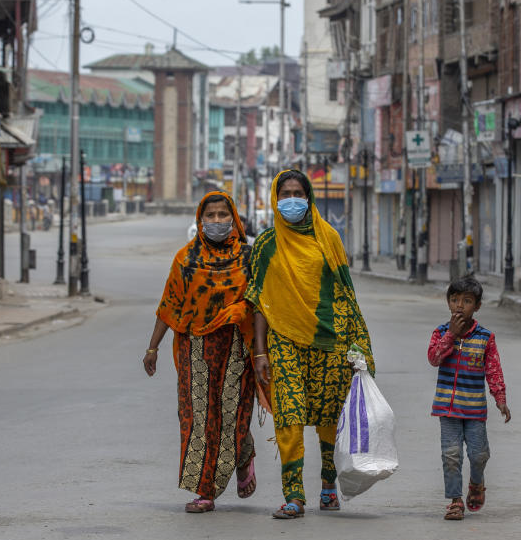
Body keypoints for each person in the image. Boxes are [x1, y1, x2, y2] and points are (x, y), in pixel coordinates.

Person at [245, 169, 375, 520]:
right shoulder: (266, 245)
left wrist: (356, 345)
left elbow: (345, 294)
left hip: (330, 341)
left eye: (298, 193)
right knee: (288, 415)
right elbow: (258, 301)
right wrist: (259, 351)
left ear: (309, 197)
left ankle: (329, 486)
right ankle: (294, 496)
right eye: (284, 193)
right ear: (275, 197)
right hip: (283, 340)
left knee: (329, 418)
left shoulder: (328, 238)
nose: (291, 199)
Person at [143, 191, 258, 514]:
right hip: (196, 347)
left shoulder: (249, 258)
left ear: (234, 219)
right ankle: (205, 490)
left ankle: (242, 452)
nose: (218, 221)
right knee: (198, 418)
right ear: (200, 220)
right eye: (211, 216)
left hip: (237, 346)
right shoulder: (186, 258)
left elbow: (260, 305)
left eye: (224, 215)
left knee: (231, 415)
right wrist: (153, 347)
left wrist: (260, 350)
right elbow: (169, 304)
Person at [427, 275, 510, 521]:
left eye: (467, 301)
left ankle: (476, 482)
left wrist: (500, 398)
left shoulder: (485, 337)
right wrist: (450, 336)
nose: (459, 306)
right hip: (447, 410)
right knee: (451, 456)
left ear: (477, 306)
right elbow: (434, 358)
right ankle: (455, 501)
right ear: (448, 303)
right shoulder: (441, 332)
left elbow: (493, 370)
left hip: (474, 411)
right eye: (454, 300)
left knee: (479, 454)